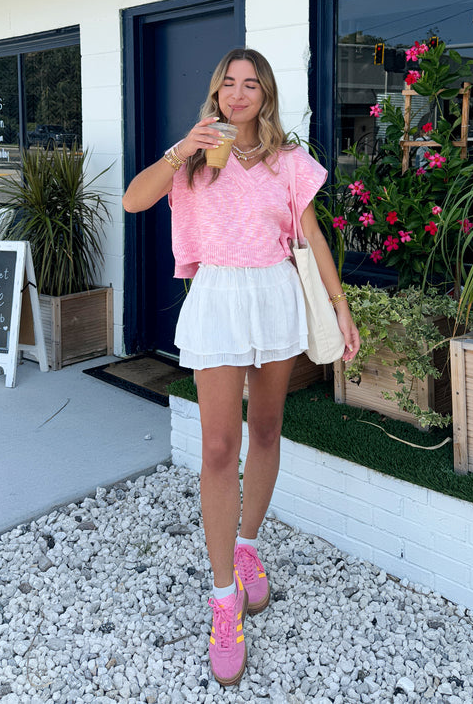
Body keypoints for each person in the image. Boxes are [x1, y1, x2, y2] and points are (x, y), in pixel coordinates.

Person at [122, 47, 360, 687]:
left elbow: (309, 236)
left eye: (250, 84)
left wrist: (341, 309)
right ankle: (224, 599)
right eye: (228, 82)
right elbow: (132, 201)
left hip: (275, 299)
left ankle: (248, 545)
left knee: (266, 432)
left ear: (266, 95)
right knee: (219, 449)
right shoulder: (194, 158)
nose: (238, 92)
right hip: (220, 300)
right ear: (216, 92)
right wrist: (182, 149)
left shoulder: (287, 162)